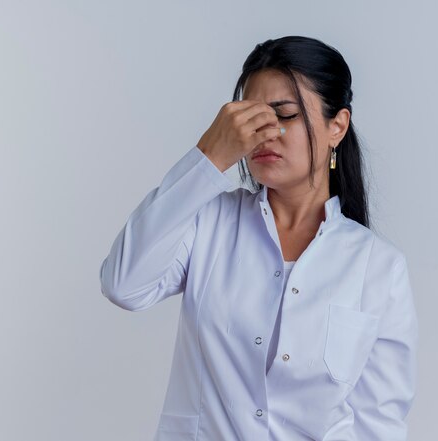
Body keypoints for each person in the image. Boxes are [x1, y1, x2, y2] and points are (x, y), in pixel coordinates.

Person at [99, 35, 418, 441]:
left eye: (284, 115)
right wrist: (209, 156)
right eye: (251, 118)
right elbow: (123, 284)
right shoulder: (208, 221)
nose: (265, 133)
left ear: (336, 126)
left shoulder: (378, 267)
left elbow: (378, 426)